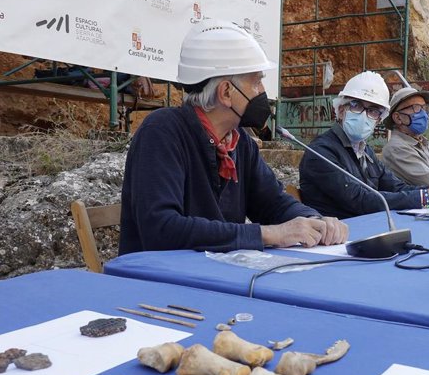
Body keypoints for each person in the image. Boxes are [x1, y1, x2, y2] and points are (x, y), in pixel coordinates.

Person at [119, 19, 348, 255]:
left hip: (213, 276)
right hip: (156, 283)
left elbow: (273, 202)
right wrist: (269, 234)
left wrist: (313, 221)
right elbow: (161, 229)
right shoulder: (162, 132)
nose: (262, 92)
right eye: (257, 82)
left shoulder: (240, 143)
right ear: (226, 92)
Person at [298, 71, 429, 219]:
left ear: (378, 120)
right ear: (341, 110)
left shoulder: (364, 150)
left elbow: (395, 187)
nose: (365, 115)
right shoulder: (321, 152)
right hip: (338, 238)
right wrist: (426, 197)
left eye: (373, 111)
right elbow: (360, 200)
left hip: (368, 227)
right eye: (356, 105)